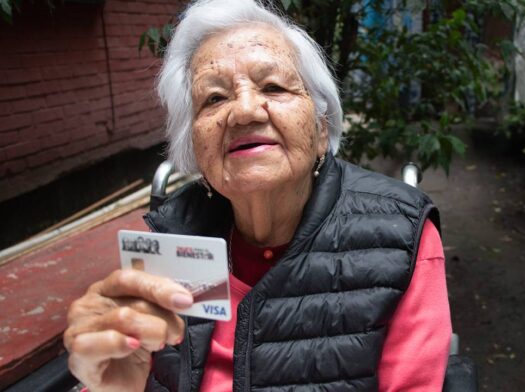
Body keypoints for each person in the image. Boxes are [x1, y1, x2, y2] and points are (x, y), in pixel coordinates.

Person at [63, 0, 452, 390]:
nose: (245, 111)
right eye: (214, 98)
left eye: (273, 86)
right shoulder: (171, 239)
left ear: (321, 131)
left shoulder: (401, 236)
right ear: (196, 146)